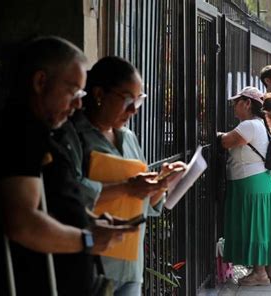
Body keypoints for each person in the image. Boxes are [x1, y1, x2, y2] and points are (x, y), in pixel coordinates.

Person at [0, 36, 135, 295]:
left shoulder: (48, 134)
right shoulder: (18, 133)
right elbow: (22, 221)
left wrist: (92, 220)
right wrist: (87, 239)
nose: (79, 104)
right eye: (73, 91)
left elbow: (56, 200)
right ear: (41, 82)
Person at [72, 56, 186, 295]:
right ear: (99, 94)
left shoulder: (129, 138)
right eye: (126, 100)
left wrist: (159, 184)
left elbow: (146, 204)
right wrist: (126, 187)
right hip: (93, 266)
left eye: (138, 100)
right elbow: (70, 193)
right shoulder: (74, 137)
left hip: (131, 266)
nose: (133, 110)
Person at [219, 86, 271, 286]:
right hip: (261, 181)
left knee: (253, 227)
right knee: (263, 227)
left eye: (237, 102)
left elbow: (225, 141)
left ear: (247, 103)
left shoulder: (249, 125)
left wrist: (216, 134)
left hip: (250, 182)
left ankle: (259, 273)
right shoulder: (260, 124)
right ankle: (268, 271)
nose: (234, 106)